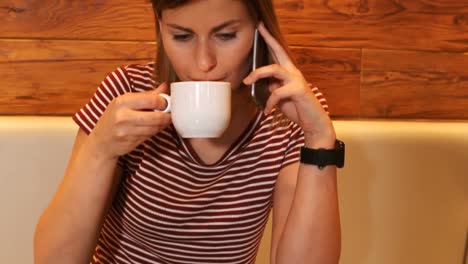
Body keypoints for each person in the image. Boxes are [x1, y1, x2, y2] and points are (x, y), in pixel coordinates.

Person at [33, 0, 341, 263]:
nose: (204, 63)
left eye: (226, 35)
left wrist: (319, 139)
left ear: (261, 30)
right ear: (160, 28)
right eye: (181, 36)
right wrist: (100, 150)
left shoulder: (289, 112)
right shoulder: (127, 94)